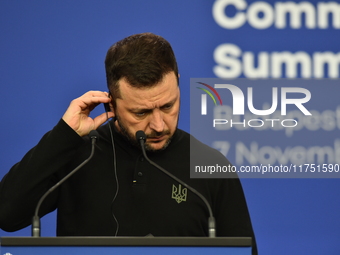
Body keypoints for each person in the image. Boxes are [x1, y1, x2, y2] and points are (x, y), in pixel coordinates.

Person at [0, 33, 257, 254]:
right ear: (110, 103)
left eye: (168, 106)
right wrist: (63, 136)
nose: (158, 125)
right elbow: (6, 214)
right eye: (141, 113)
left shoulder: (211, 166)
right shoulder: (77, 155)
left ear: (178, 83)